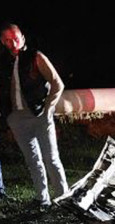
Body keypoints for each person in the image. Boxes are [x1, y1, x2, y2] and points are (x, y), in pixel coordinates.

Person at [0, 22, 68, 208]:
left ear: (22, 37)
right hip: (17, 118)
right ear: (3, 42)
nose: (13, 43)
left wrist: (48, 109)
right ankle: (42, 198)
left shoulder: (36, 57)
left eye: (15, 38)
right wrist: (8, 116)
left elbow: (57, 84)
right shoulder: (4, 63)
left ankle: (64, 198)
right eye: (7, 40)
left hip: (39, 114)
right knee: (32, 160)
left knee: (51, 158)